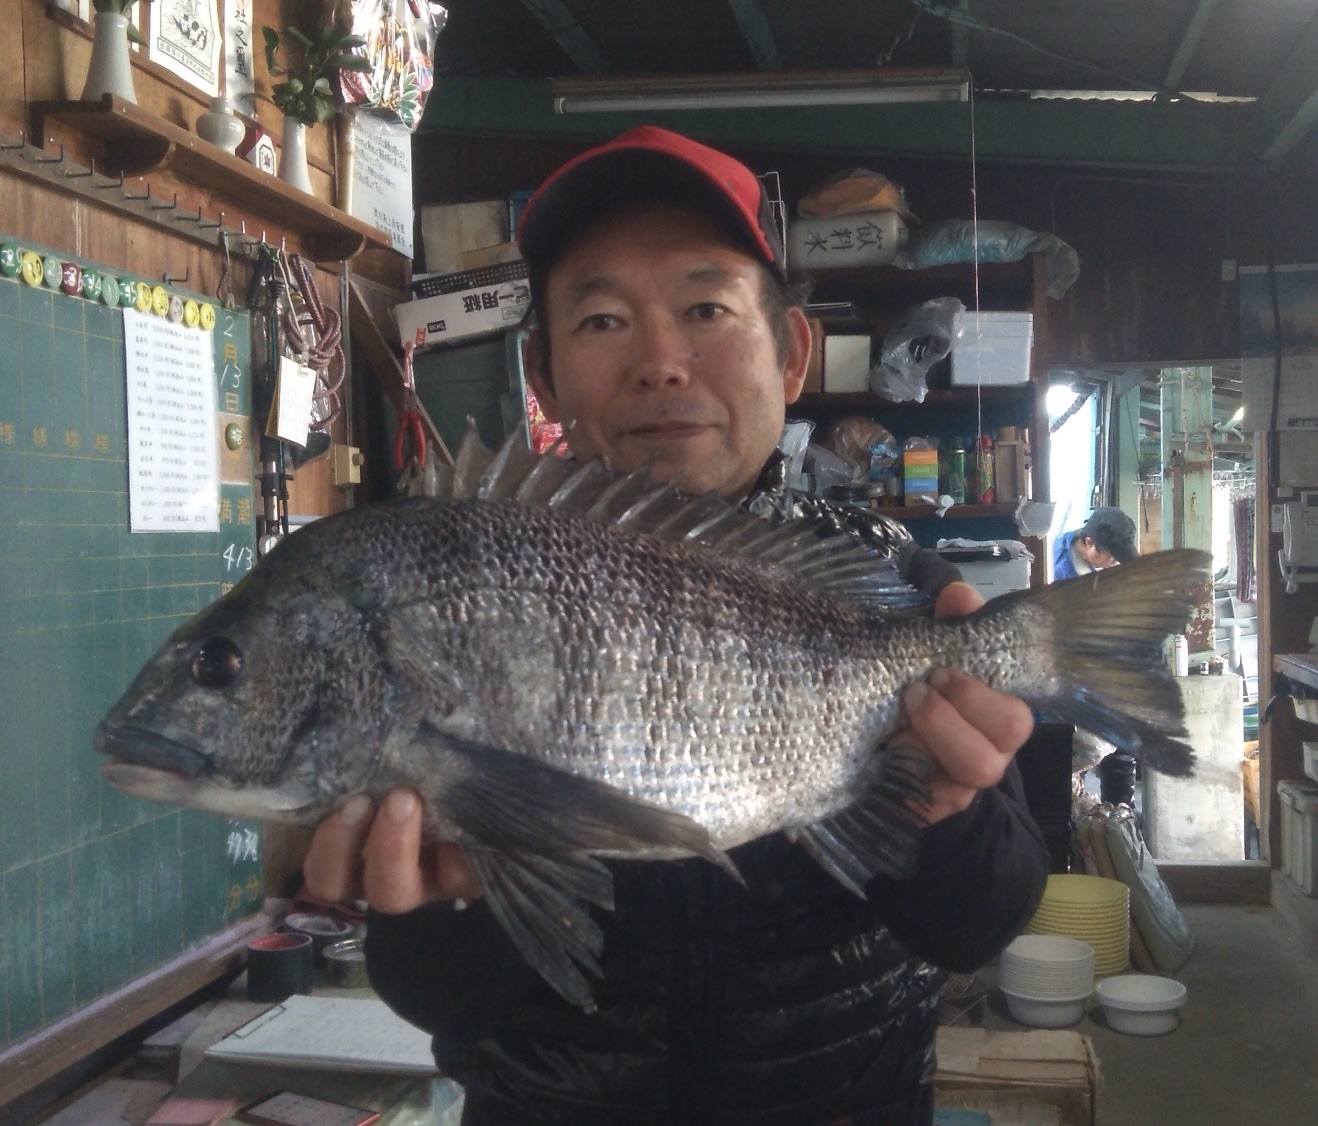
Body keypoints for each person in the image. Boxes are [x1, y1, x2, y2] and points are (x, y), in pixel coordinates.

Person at [305, 126, 1048, 1125]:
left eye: (705, 306)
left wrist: (952, 822)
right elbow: (449, 1003)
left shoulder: (892, 586)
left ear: (790, 352)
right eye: (604, 318)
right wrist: (439, 911)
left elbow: (981, 926)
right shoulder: (467, 585)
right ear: (544, 371)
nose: (659, 361)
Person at [1051, 505, 1137, 581]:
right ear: (1089, 543)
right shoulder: (1059, 574)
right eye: (1112, 558)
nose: (1115, 563)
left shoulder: (1077, 538)